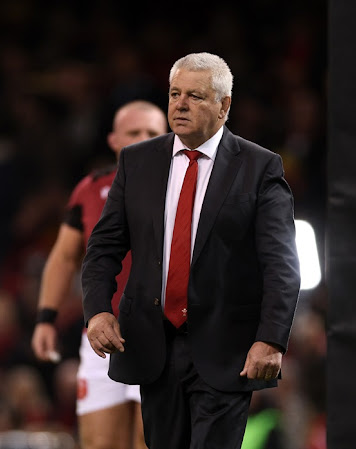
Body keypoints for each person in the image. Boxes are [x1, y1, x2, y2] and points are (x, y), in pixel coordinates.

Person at [81, 53, 301, 449]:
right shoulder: (137, 161)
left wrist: (271, 338)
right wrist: (97, 311)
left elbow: (281, 265)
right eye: (175, 94)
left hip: (226, 350)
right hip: (152, 346)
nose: (180, 105)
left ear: (224, 106)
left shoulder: (259, 167)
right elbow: (104, 247)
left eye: (195, 96)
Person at [31, 100, 168, 449]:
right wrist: (46, 318)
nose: (143, 139)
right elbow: (63, 258)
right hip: (100, 337)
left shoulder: (183, 186)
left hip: (162, 335)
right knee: (98, 443)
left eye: (152, 133)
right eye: (133, 132)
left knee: (150, 440)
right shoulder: (91, 190)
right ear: (113, 140)